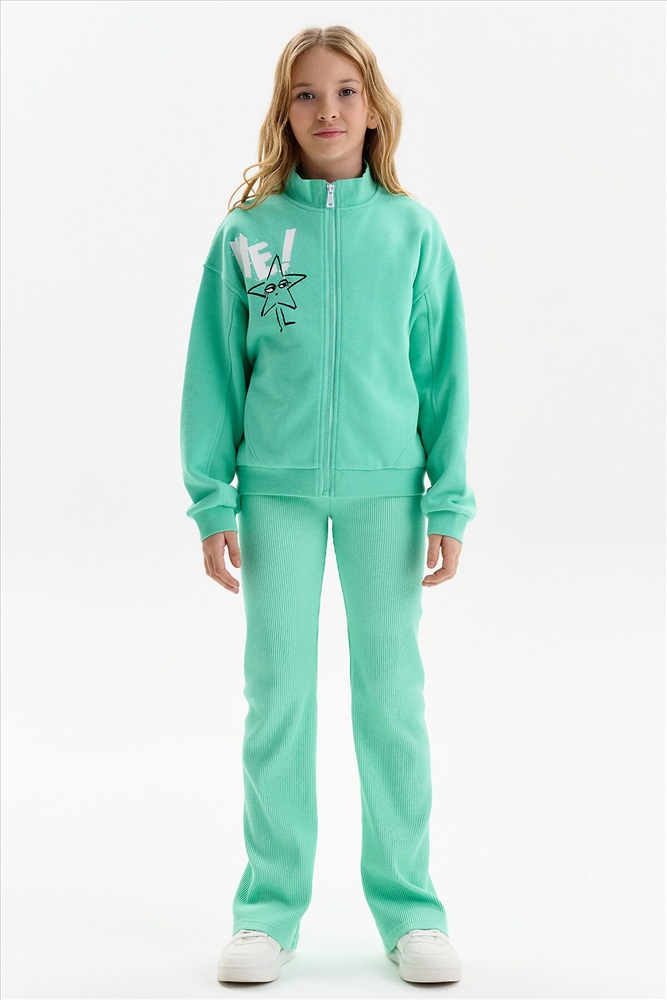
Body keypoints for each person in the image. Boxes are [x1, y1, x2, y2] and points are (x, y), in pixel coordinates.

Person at [180, 24, 476, 986]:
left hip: (388, 497)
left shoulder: (412, 231)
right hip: (274, 500)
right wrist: (212, 499)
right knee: (278, 700)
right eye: (305, 94)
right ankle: (266, 914)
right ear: (284, 112)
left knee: (392, 702)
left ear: (373, 107)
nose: (327, 110)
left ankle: (411, 910)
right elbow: (213, 373)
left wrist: (448, 502)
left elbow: (443, 372)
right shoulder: (248, 234)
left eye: (345, 91)